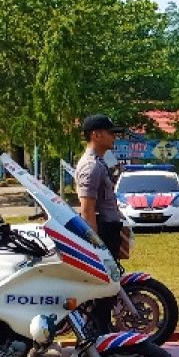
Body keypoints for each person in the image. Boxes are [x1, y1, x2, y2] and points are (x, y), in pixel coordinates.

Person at [76, 115, 125, 333]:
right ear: (96, 135)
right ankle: (97, 340)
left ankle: (101, 333)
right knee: (102, 293)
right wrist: (96, 246)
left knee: (108, 291)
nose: (114, 136)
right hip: (102, 233)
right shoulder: (91, 166)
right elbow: (87, 210)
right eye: (110, 132)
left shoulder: (99, 163)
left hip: (109, 230)